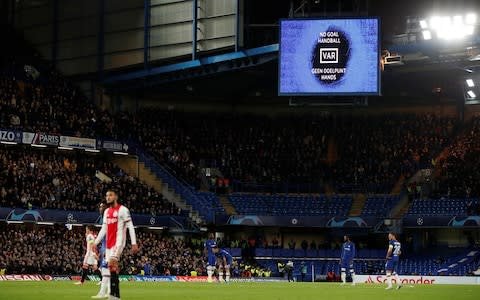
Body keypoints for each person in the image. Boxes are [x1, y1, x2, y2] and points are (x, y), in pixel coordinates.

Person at [95, 190, 138, 300]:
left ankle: (113, 296)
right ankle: (115, 295)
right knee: (111, 269)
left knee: (112, 264)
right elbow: (104, 229)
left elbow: (130, 226)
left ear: (116, 196)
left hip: (118, 243)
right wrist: (95, 243)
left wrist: (134, 243)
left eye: (110, 195)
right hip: (109, 245)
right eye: (106, 195)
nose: (108, 197)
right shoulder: (107, 212)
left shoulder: (123, 210)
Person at [92, 202, 110, 299]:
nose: (100, 208)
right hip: (105, 245)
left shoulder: (107, 217)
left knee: (106, 270)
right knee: (105, 270)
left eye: (102, 207)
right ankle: (108, 292)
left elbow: (104, 231)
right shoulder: (104, 217)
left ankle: (106, 292)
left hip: (109, 246)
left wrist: (95, 243)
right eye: (99, 207)